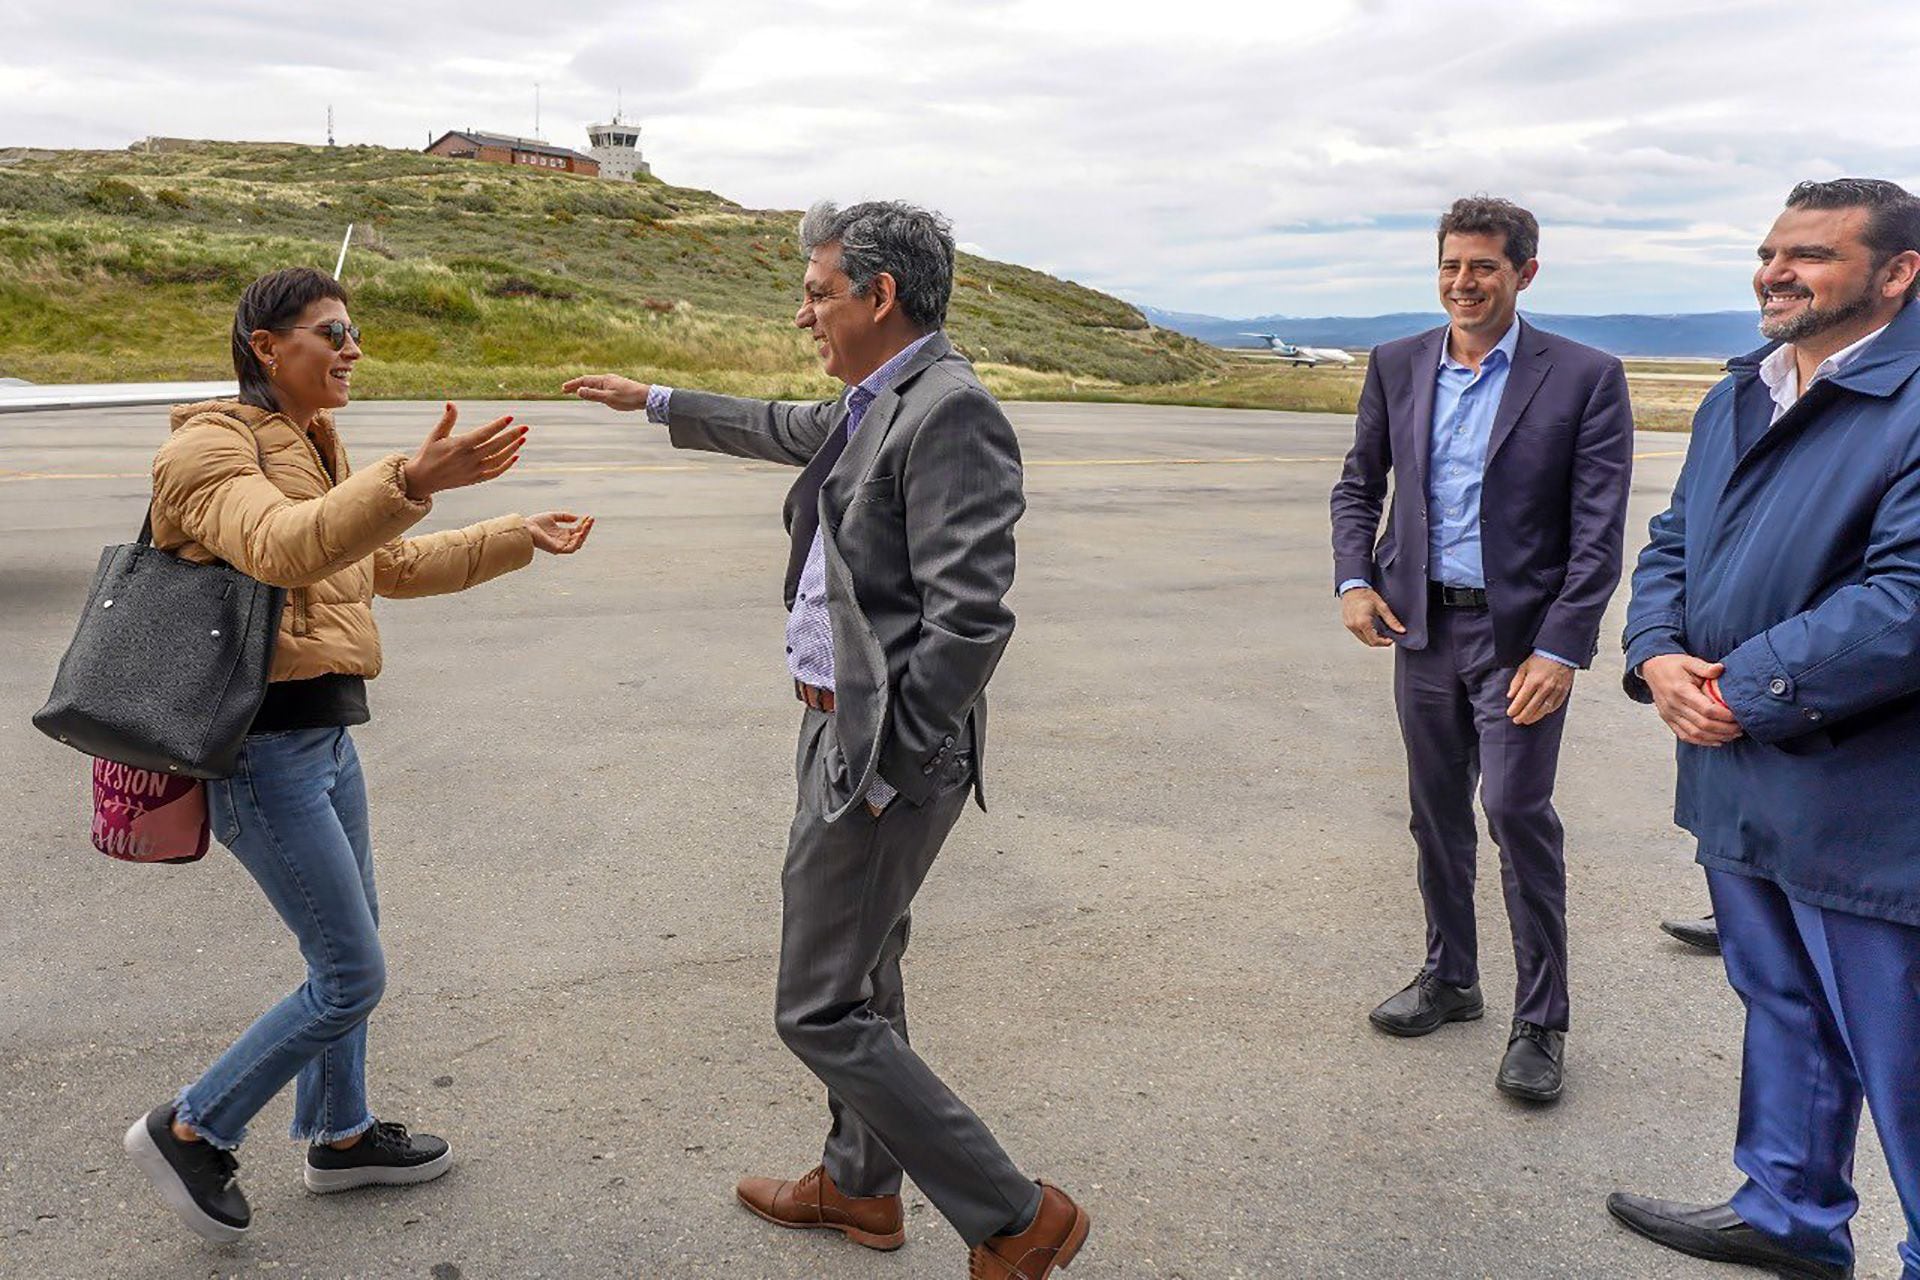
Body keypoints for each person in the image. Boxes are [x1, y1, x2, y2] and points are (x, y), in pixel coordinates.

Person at [565, 200, 1089, 1279]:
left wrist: (887, 771)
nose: (803, 311)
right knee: (864, 973)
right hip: (838, 730)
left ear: (877, 295)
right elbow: (783, 426)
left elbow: (972, 619)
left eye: (816, 291)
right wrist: (650, 398)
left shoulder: (948, 410)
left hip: (879, 754)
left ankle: (1016, 1215)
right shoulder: (873, 399)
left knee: (815, 1004)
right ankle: (858, 1187)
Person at [122, 267, 594, 1243]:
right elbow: (282, 545)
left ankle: (341, 1135)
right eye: (331, 331)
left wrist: (516, 533)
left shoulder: (309, 443)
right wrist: (410, 479)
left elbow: (382, 563)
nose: (352, 348)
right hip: (258, 749)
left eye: (354, 332)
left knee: (351, 944)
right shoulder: (207, 447)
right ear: (265, 345)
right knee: (350, 970)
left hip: (325, 735)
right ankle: (191, 1125)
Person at [1609, 179, 1920, 1280]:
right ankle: (1788, 1207)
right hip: (1739, 777)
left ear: (1898, 273)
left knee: (1902, 1047)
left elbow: (1907, 597)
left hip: (1871, 800)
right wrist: (1655, 655)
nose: (1775, 272)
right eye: (1769, 250)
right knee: (1780, 1004)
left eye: (1812, 255)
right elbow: (1672, 542)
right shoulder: (1741, 389)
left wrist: (1736, 686)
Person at [1328, 195, 1635, 1103]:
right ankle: (1452, 979)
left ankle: (1542, 1020)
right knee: (1435, 816)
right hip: (1421, 631)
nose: (1464, 283)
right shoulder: (1398, 364)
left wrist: (1563, 648)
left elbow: (1597, 532)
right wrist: (1355, 579)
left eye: (1485, 268)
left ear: (1524, 274)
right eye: (1452, 266)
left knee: (1516, 812)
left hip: (1521, 643)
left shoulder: (1584, 375)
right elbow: (1358, 485)